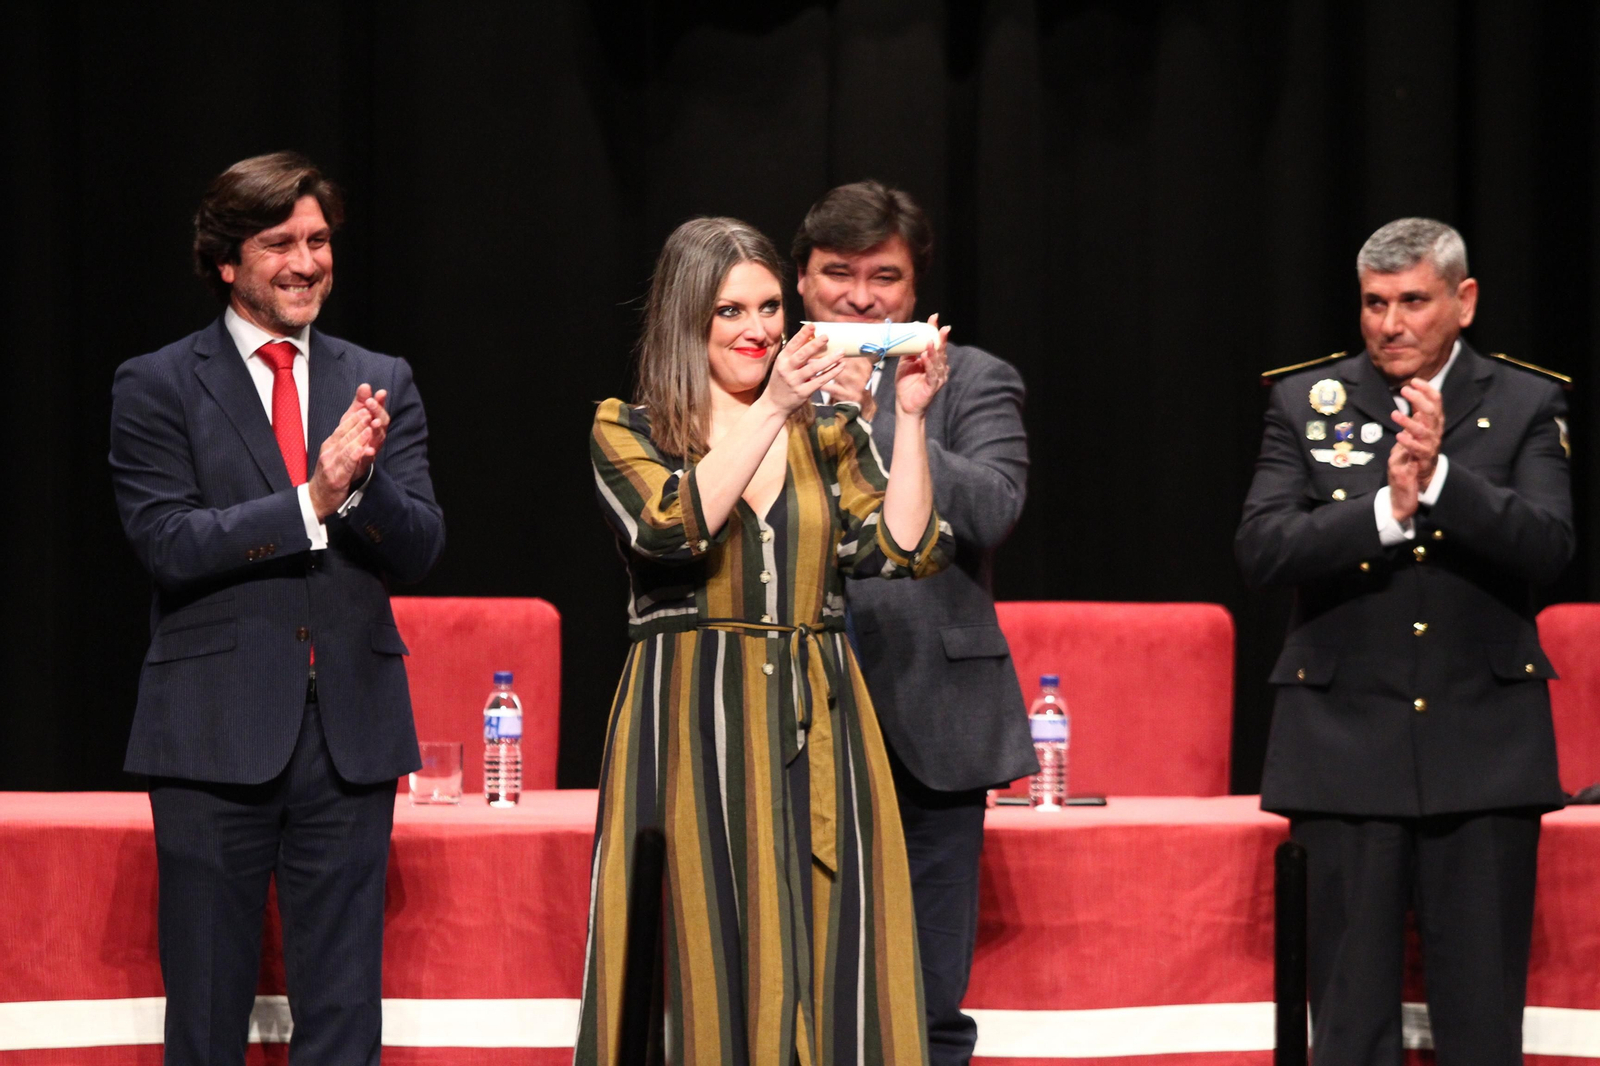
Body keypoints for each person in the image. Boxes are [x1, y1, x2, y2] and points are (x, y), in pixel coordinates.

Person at [578, 216, 952, 1066]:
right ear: (688, 321)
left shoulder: (826, 432)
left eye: (770, 307)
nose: (759, 330)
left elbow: (901, 549)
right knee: (702, 942)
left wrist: (911, 417)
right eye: (730, 312)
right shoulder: (628, 429)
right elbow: (674, 529)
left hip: (819, 710)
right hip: (690, 715)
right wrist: (776, 403)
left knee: (837, 936)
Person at [109, 151, 445, 1066]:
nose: (307, 263)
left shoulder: (381, 378)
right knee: (209, 1013)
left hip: (351, 732)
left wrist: (359, 487)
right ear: (226, 259)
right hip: (212, 732)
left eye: (320, 241)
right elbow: (170, 543)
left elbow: (420, 546)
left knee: (342, 1016)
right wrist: (313, 498)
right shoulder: (157, 384)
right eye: (280, 243)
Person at [1237, 218, 1573, 1064]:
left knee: (1482, 1025)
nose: (1391, 323)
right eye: (1375, 303)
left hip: (1484, 746)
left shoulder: (1528, 401)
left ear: (1463, 302)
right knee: (1347, 1026)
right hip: (1342, 744)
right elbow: (1263, 548)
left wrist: (1445, 480)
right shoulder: (1303, 400)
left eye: (1413, 302)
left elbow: (1549, 544)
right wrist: (1387, 512)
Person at [792, 180, 1035, 1066]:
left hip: (934, 721)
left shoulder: (972, 377)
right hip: (793, 714)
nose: (859, 297)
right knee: (802, 992)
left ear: (915, 285)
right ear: (802, 282)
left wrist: (886, 417)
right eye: (837, 274)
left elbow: (993, 508)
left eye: (883, 277)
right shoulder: (758, 373)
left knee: (928, 1000)